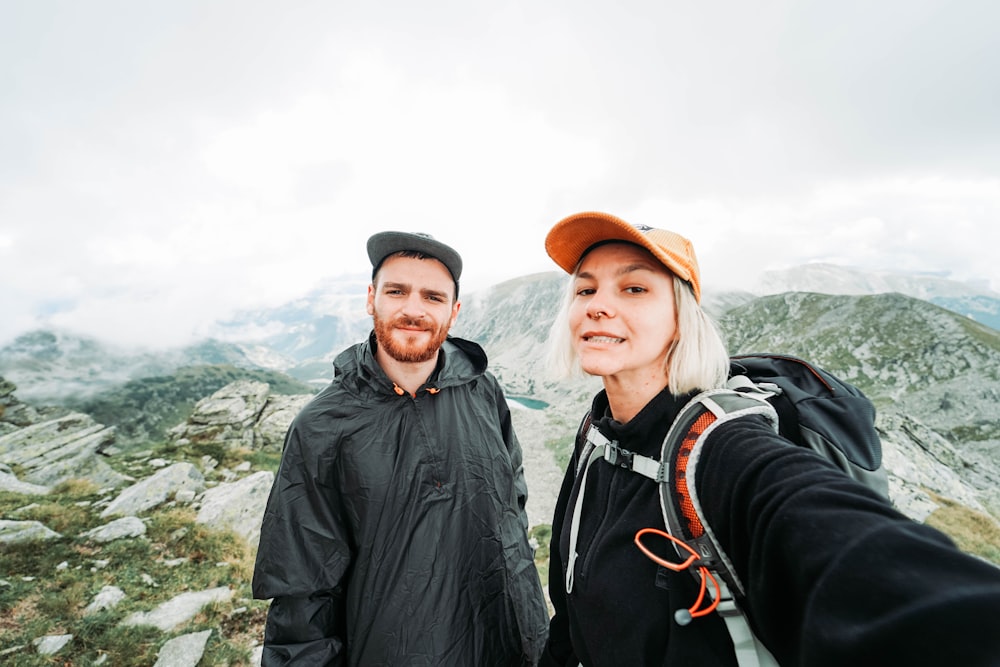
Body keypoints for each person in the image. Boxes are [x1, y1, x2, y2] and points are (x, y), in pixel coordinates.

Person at [538, 211, 1000, 667]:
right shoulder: (596, 434)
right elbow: (571, 605)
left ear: (681, 319)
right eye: (586, 288)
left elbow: (846, 545)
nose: (598, 304)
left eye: (634, 288)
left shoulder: (719, 448)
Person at [252, 231, 549, 666]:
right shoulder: (321, 427)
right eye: (397, 291)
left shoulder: (483, 391)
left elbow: (512, 509)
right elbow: (302, 591)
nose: (413, 309)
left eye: (432, 296)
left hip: (506, 641)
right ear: (372, 299)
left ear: (454, 311)